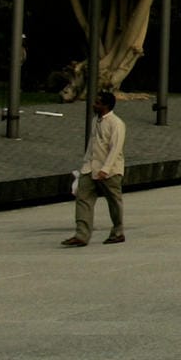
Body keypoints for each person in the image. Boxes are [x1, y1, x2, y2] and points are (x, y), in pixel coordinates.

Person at [64, 90, 125, 247]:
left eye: (97, 103)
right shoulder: (95, 120)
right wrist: (85, 163)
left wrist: (106, 169)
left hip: (109, 171)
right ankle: (81, 235)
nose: (94, 105)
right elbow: (92, 144)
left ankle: (118, 231)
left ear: (105, 105)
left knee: (114, 201)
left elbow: (115, 148)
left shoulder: (116, 123)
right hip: (90, 168)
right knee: (83, 199)